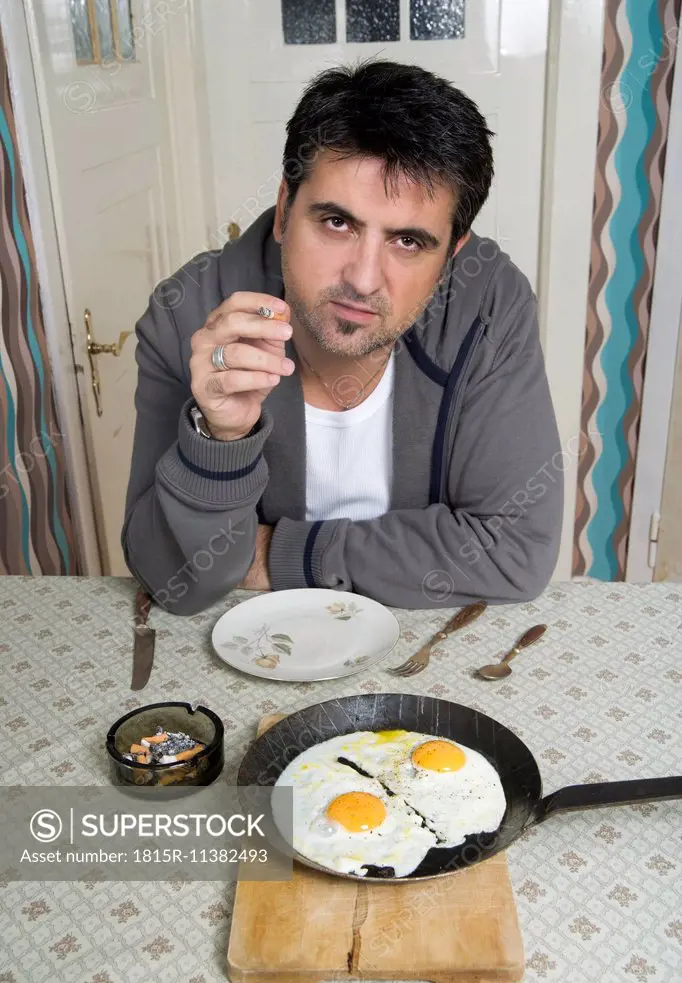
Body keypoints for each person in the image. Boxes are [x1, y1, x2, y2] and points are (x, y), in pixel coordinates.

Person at [122, 58, 563, 616]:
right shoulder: (188, 314)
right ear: (285, 210)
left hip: (417, 638)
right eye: (337, 223)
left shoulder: (490, 303)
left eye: (408, 241)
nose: (362, 278)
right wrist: (219, 440)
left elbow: (515, 552)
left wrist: (274, 554)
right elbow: (175, 582)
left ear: (452, 256)